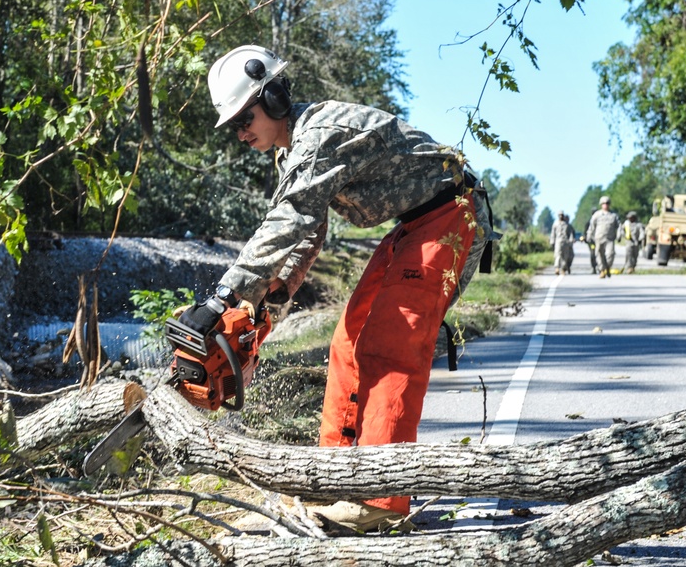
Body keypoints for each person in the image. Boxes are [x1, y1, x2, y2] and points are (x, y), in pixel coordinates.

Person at [181, 45, 497, 533]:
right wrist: (261, 310)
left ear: (276, 98)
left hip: (451, 215)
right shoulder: (294, 155)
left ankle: (381, 500)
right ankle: (337, 476)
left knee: (390, 347)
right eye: (235, 125)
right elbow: (305, 237)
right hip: (414, 225)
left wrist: (221, 297)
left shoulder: (318, 136)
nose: (243, 131)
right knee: (348, 343)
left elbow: (286, 221)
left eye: (247, 116)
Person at [586, 195, 620, 279]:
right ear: (601, 204)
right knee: (599, 255)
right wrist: (589, 235)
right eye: (604, 203)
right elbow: (591, 226)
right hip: (599, 238)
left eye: (607, 203)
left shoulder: (613, 215)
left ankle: (607, 267)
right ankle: (602, 271)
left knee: (610, 254)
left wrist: (619, 235)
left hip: (610, 239)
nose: (606, 205)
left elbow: (619, 226)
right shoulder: (597, 215)